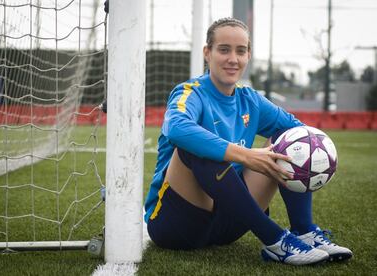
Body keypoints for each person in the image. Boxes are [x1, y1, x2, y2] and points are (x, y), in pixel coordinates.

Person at [144, 17, 352, 265]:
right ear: (207, 53)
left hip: (231, 223)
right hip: (178, 224)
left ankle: (304, 231)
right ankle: (274, 239)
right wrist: (246, 155)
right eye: (224, 50)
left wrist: (319, 156)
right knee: (196, 148)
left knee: (293, 140)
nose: (233, 59)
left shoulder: (250, 99)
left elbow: (298, 129)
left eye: (240, 51)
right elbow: (176, 128)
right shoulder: (190, 92)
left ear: (248, 56)